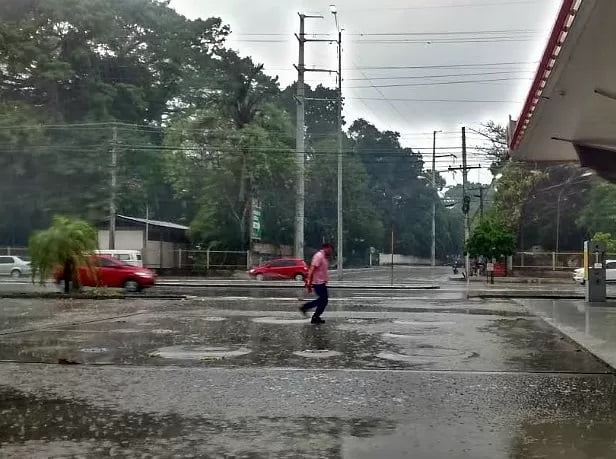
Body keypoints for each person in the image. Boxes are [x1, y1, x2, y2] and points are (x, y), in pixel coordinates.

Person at [299, 243, 334, 324]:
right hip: (318, 283)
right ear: (325, 248)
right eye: (329, 250)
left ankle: (314, 315)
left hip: (322, 283)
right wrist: (309, 282)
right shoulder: (318, 256)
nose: (330, 252)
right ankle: (306, 308)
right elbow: (312, 269)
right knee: (323, 300)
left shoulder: (324, 257)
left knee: (323, 300)